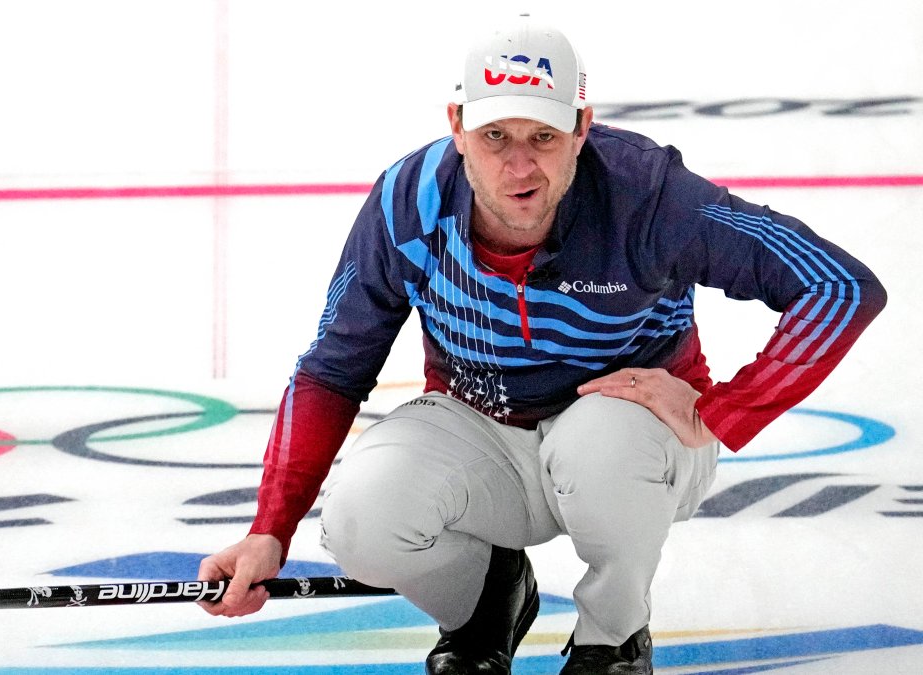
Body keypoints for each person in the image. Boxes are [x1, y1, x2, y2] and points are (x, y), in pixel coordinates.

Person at [198, 15, 886, 675]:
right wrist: (271, 528)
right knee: (360, 518)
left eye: (545, 136)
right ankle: (486, 601)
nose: (519, 167)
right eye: (495, 135)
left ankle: (611, 641)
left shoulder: (647, 196)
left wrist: (722, 412)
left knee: (603, 439)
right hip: (483, 429)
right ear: (457, 127)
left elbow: (840, 287)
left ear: (583, 128)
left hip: (630, 443)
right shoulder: (407, 202)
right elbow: (331, 371)